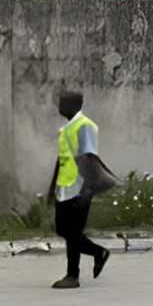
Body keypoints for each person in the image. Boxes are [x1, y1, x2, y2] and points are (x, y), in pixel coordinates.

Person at [47, 91, 110, 289]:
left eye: (63, 102)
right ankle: (97, 253)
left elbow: (91, 159)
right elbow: (61, 159)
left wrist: (87, 190)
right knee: (64, 230)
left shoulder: (85, 127)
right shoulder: (66, 128)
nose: (59, 106)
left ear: (75, 104)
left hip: (79, 188)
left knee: (72, 232)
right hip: (64, 187)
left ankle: (73, 275)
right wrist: (52, 187)